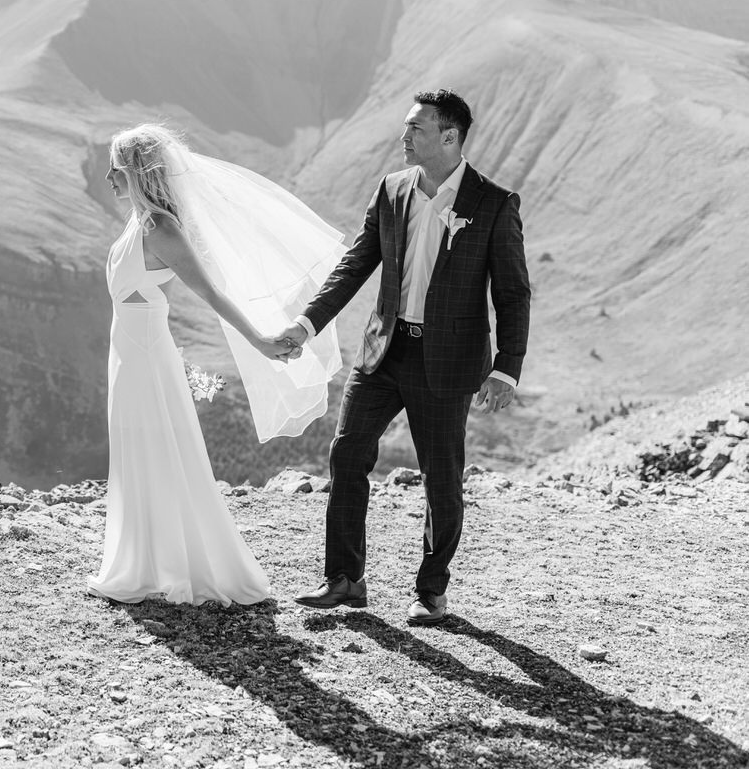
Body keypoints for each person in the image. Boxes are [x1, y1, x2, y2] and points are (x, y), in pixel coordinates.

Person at [278, 89, 531, 625]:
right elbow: (356, 264)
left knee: (442, 478)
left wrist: (506, 367)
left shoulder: (493, 204)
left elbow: (512, 293)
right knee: (347, 456)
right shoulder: (392, 189)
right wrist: (306, 324)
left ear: (450, 136)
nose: (403, 138)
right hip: (383, 353)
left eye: (415, 129)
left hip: (449, 362)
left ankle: (431, 591)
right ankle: (345, 579)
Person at [87, 124, 346, 605]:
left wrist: (260, 340)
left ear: (137, 173)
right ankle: (142, 560)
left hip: (145, 354)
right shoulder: (138, 223)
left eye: (116, 168)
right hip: (127, 350)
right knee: (135, 449)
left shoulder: (160, 229)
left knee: (159, 449)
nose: (107, 177)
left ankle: (175, 565)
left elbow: (210, 293)